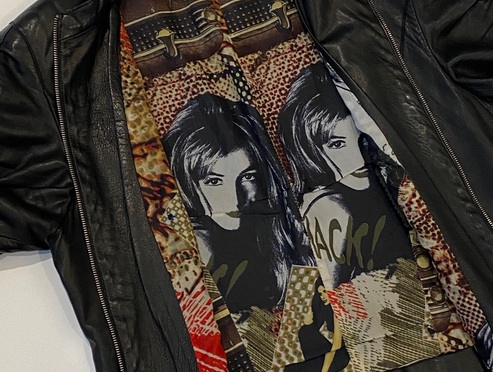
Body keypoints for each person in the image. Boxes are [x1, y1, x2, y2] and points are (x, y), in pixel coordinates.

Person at [163, 93, 311, 313]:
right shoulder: (185, 249)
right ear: (189, 185)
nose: (234, 200)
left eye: (247, 177)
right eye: (214, 181)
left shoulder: (290, 232)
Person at [278, 62, 414, 288]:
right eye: (337, 143)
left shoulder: (395, 180)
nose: (356, 152)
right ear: (310, 149)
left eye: (358, 136)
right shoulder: (325, 208)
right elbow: (308, 293)